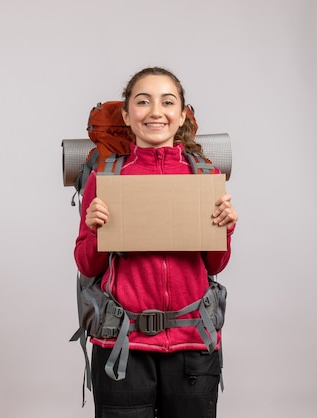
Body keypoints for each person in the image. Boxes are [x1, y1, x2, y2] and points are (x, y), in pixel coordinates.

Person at [74, 67, 238, 418]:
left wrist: (224, 229)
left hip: (192, 342)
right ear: (127, 115)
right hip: (122, 345)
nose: (155, 111)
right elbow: (87, 265)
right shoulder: (106, 177)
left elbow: (214, 264)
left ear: (181, 115)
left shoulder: (204, 175)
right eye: (143, 101)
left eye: (167, 102)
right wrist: (95, 230)